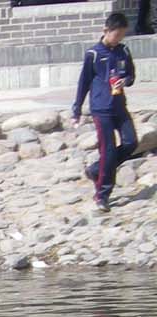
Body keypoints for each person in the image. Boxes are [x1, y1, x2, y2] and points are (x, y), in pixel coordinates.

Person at [73, 11, 137, 214]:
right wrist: (77, 109)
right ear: (106, 31)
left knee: (131, 142)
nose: (119, 39)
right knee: (108, 152)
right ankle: (102, 195)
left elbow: (131, 75)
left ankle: (95, 169)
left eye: (122, 35)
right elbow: (83, 83)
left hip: (119, 105)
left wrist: (125, 81)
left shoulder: (123, 50)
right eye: (116, 35)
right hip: (101, 109)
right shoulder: (93, 54)